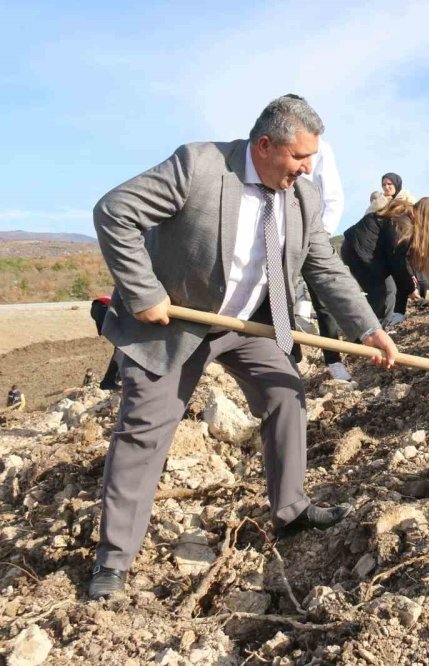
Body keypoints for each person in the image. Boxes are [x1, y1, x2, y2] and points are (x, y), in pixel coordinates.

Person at [89, 95, 398, 600]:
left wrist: (367, 328)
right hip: (176, 321)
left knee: (286, 394)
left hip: (243, 323)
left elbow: (323, 265)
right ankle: (113, 562)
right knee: (145, 431)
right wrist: (143, 292)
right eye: (299, 158)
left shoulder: (303, 198)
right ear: (264, 145)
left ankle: (291, 510)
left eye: (311, 159)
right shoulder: (199, 166)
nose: (306, 168)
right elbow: (115, 211)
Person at [284, 96, 351, 382]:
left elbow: (333, 196)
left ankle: (333, 361)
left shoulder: (321, 149)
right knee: (279, 295)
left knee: (323, 298)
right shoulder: (274, 145)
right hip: (281, 232)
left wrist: (318, 235)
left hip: (314, 232)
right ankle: (289, 356)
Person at [340, 197, 429, 322]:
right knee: (380, 293)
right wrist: (411, 287)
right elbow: (397, 261)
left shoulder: (404, 217)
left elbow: (401, 261)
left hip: (358, 250)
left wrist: (409, 284)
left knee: (389, 290)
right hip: (358, 252)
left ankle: (382, 326)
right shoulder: (403, 223)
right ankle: (366, 333)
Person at [90, 295, 123, 390]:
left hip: (99, 306)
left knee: (123, 347)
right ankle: (109, 382)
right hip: (104, 307)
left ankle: (116, 378)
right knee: (124, 347)